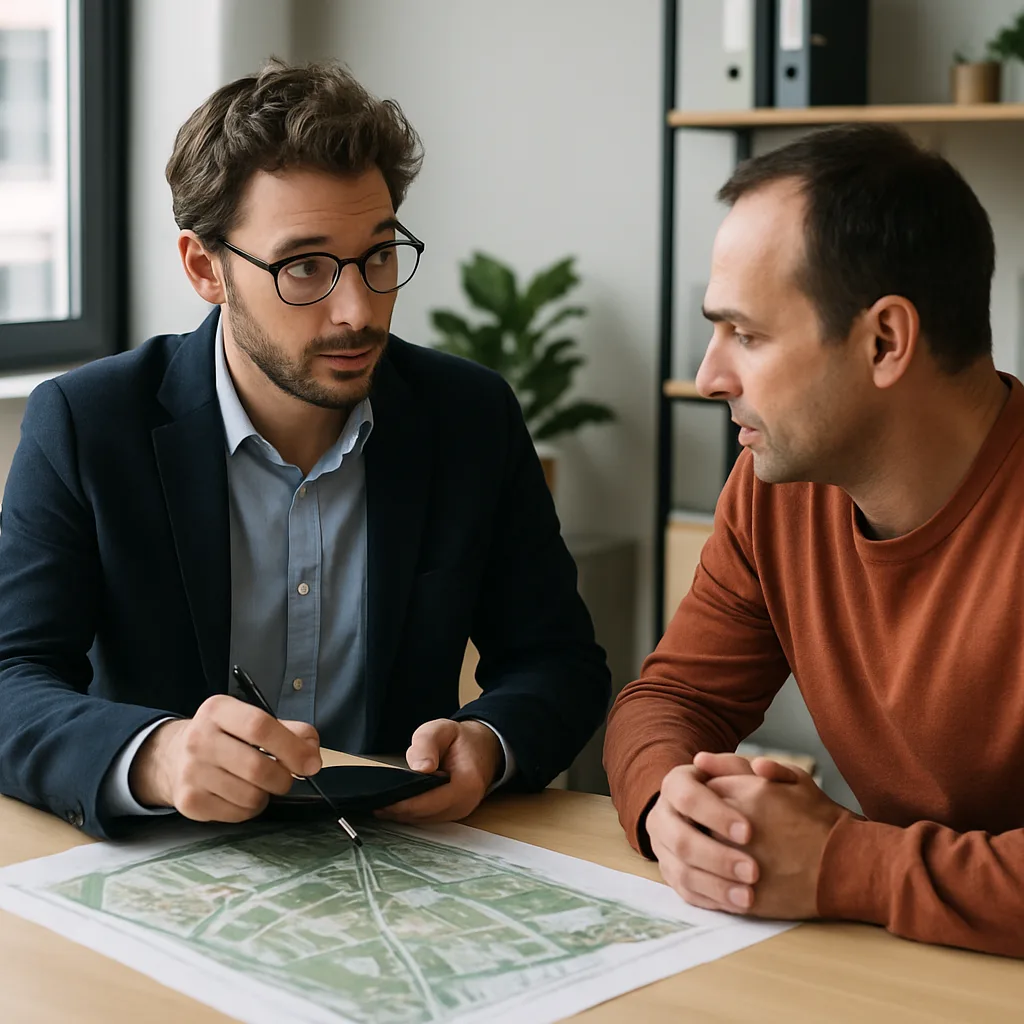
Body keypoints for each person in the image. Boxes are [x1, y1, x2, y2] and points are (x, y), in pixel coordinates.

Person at [0, 60, 610, 839]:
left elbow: (558, 661)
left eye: (380, 256)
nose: (357, 310)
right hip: (170, 866)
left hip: (398, 859)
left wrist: (488, 745)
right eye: (305, 268)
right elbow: (11, 678)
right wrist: (155, 754)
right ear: (204, 268)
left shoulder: (468, 416)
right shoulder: (88, 424)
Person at [604, 123, 1024, 958]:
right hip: (898, 967)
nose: (708, 376)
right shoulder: (775, 493)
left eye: (747, 335)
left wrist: (846, 863)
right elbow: (672, 701)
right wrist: (673, 809)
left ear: (884, 342)